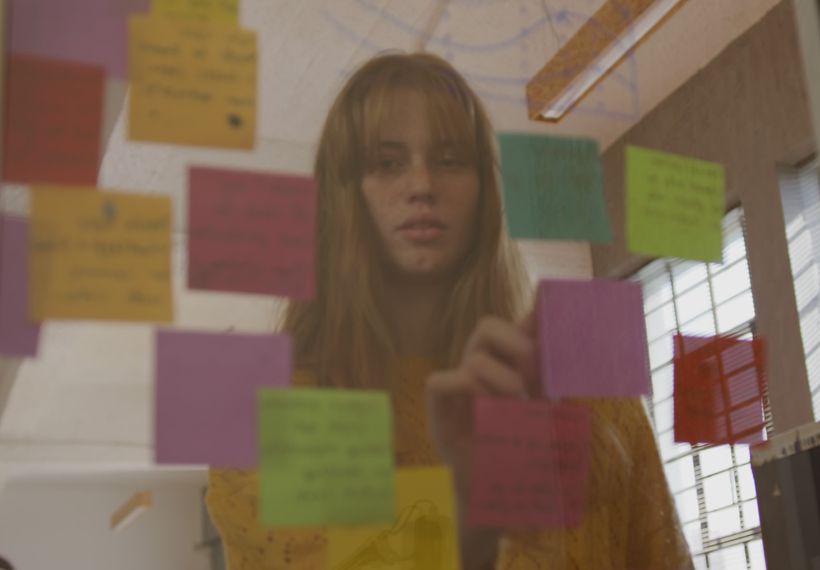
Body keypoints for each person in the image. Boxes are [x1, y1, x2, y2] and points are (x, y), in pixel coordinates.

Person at [206, 52, 691, 570]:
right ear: (342, 197)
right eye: (387, 162)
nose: (423, 186)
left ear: (485, 191)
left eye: (451, 158)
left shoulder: (595, 397)